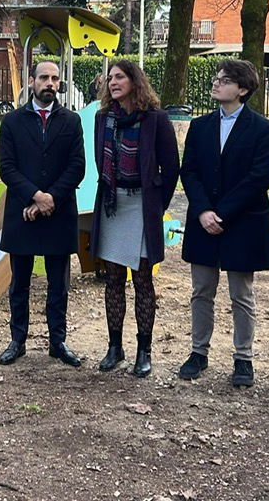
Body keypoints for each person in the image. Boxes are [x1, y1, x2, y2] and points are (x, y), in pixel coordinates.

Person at [177, 59, 269, 388]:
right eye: (216, 78)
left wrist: (223, 214)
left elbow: (258, 178)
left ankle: (243, 358)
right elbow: (189, 171)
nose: (216, 84)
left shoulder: (263, 129)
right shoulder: (200, 126)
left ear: (243, 89)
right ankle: (198, 352)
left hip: (242, 222)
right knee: (201, 291)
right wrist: (203, 211)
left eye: (224, 80)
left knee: (241, 294)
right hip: (203, 220)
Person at [90, 60, 180, 378]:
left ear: (134, 81)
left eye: (120, 77)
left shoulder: (155, 119)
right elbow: (100, 161)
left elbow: (171, 168)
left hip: (142, 206)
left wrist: (156, 206)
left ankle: (144, 350)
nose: (113, 82)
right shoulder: (103, 118)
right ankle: (115, 347)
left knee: (142, 280)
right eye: (110, 78)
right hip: (112, 204)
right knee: (113, 279)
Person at [0, 61, 86, 368]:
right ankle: (17, 340)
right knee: (19, 282)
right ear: (31, 81)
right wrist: (35, 196)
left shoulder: (71, 121)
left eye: (55, 78)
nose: (50, 83)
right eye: (44, 77)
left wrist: (50, 199)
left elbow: (77, 167)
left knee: (58, 284)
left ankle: (57, 342)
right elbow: (7, 168)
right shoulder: (12, 121)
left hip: (59, 213)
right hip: (23, 212)